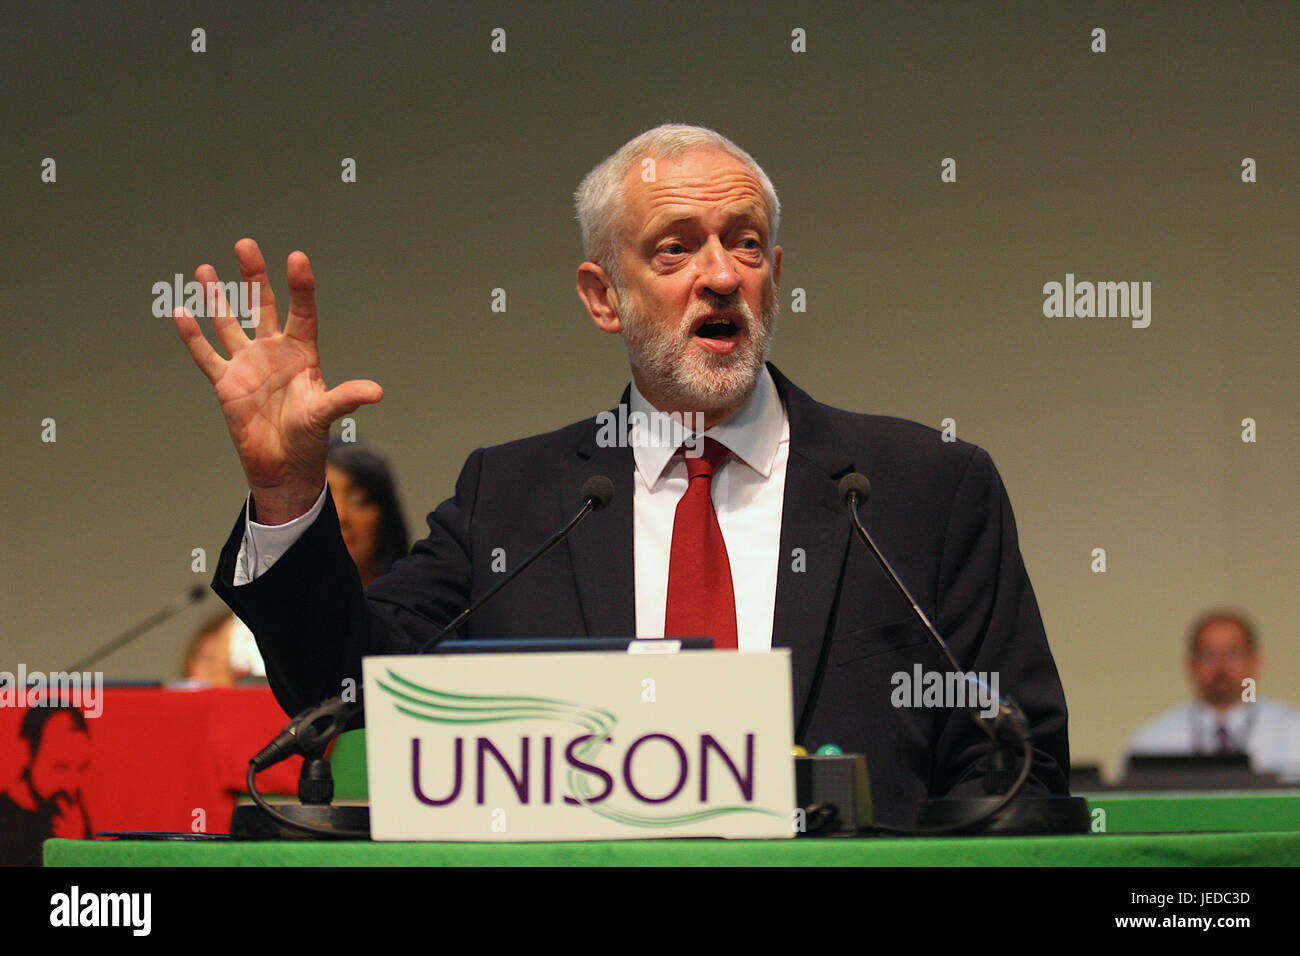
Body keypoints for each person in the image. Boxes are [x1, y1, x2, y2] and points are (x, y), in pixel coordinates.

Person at [172, 123, 1071, 825]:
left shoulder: (922, 490)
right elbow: (342, 687)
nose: (720, 274)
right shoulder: (515, 504)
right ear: (604, 296)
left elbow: (1018, 769)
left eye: (746, 243)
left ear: (777, 274)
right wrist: (290, 491)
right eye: (676, 248)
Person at [179, 438, 410, 685]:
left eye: (359, 500)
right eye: (327, 499)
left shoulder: (415, 616)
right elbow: (222, 719)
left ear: (386, 516)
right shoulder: (243, 635)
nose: (341, 515)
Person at [1126, 611, 1300, 780]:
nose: (1221, 666)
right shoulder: (1153, 741)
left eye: (1233, 653)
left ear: (1256, 661)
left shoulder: (1292, 731)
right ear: (1189, 664)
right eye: (1208, 654)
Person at [0, 704, 92, 866]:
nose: (72, 785)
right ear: (27, 752)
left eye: (81, 769)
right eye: (61, 768)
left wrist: (79, 845)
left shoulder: (70, 814)